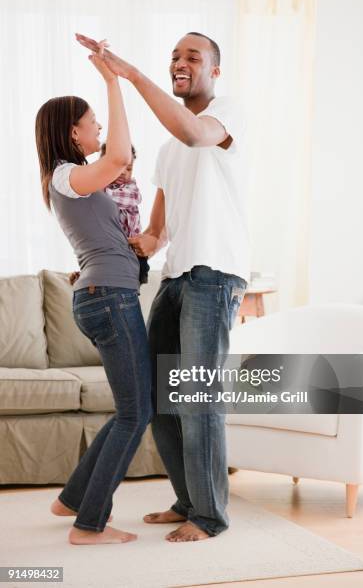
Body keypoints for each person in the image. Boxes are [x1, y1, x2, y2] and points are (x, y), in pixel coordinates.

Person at [76, 31, 250, 542]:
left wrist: (129, 75)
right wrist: (145, 240)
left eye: (193, 57)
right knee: (159, 399)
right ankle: (187, 500)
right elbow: (162, 213)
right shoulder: (170, 143)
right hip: (177, 276)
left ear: (214, 71)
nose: (180, 62)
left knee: (198, 399)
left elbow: (197, 134)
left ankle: (210, 517)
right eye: (174, 56)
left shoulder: (226, 114)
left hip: (215, 273)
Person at [35, 43, 152, 545]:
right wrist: (113, 80)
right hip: (109, 297)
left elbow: (124, 199)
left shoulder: (75, 181)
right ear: (72, 132)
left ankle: (72, 499)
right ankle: (89, 526)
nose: (99, 132)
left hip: (106, 292)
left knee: (129, 409)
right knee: (135, 413)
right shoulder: (67, 176)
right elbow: (120, 155)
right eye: (92, 124)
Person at [69, 142, 149, 286]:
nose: (124, 172)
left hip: (133, 252)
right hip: (108, 252)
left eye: (129, 168)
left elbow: (114, 199)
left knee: (133, 275)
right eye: (119, 167)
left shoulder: (130, 188)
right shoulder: (100, 187)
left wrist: (94, 183)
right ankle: (85, 275)